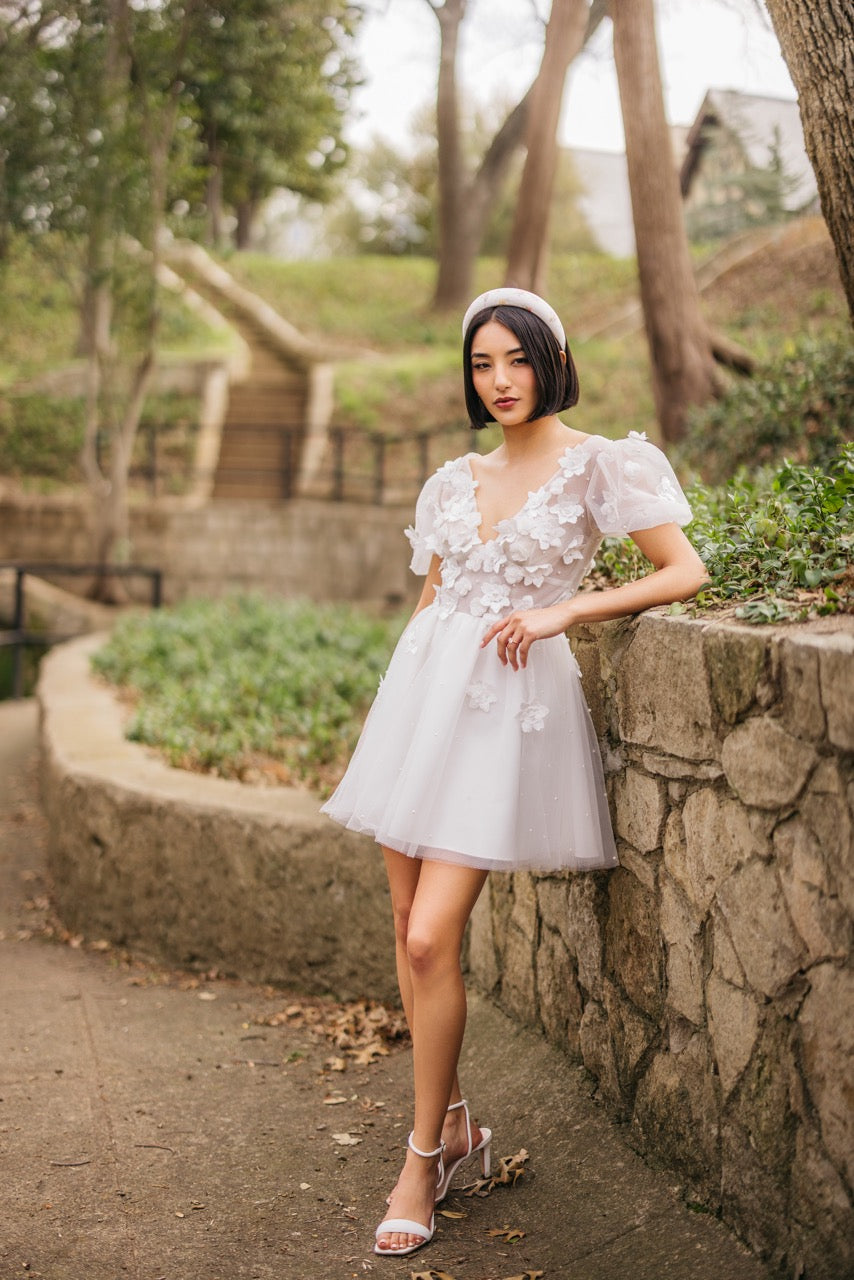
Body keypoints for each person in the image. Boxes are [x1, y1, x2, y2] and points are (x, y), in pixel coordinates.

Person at [320, 287, 708, 1258]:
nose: (498, 380)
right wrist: (391, 716)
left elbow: (680, 570)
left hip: (505, 711)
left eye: (516, 360)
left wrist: (560, 613)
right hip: (421, 700)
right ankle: (452, 1125)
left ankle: (420, 1159)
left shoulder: (599, 465)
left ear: (551, 359)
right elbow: (431, 597)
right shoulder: (451, 477)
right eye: (482, 363)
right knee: (404, 930)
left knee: (428, 934)